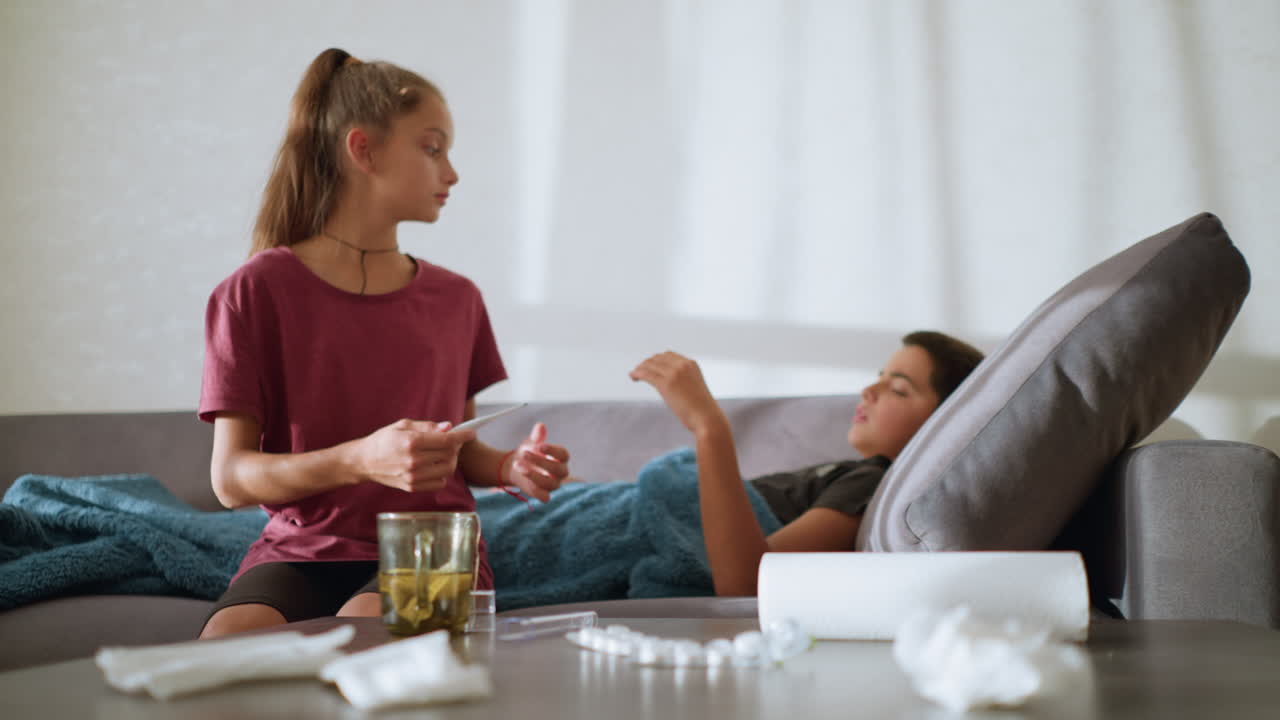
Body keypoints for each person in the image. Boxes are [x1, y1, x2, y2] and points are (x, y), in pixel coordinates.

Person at [197, 48, 570, 639]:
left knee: (367, 634)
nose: (452, 173)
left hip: (433, 545)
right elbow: (231, 480)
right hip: (301, 550)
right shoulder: (254, 291)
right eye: (432, 148)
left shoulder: (458, 300)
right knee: (227, 644)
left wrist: (509, 467)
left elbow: (455, 451)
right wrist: (359, 458)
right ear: (362, 149)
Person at [477, 331, 983, 606]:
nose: (868, 391)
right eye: (878, 376)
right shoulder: (854, 472)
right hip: (605, 509)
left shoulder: (874, 483)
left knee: (454, 539)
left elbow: (746, 582)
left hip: (623, 526)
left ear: (943, 425)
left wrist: (708, 426)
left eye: (899, 389)